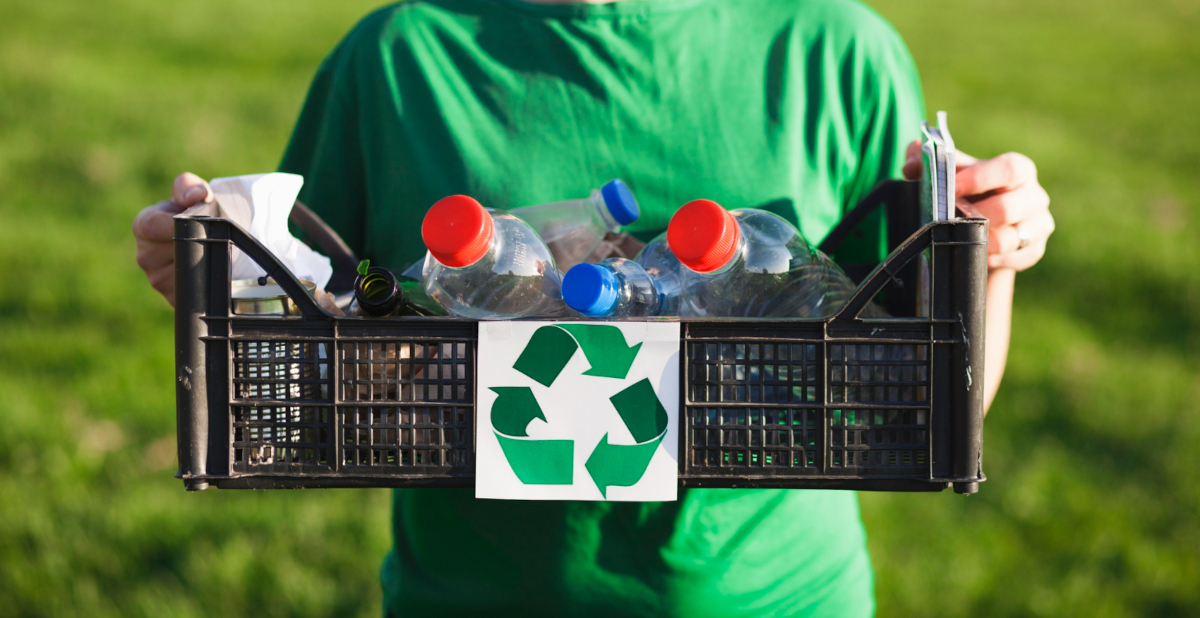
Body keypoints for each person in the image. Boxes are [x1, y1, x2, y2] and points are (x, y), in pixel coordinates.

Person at [133, 0, 1054, 615]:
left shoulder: (833, 50)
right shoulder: (401, 56)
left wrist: (993, 256)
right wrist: (223, 275)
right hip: (471, 595)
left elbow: (932, 402)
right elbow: (334, 327)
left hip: (779, 596)